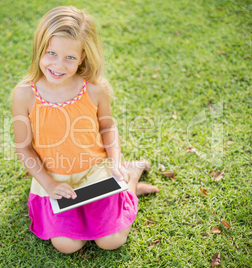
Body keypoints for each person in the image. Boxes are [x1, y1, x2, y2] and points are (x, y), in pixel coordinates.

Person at [12, 6, 159, 254]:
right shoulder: (25, 94)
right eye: (51, 53)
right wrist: (48, 184)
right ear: (39, 49)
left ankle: (129, 178)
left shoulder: (93, 88)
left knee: (111, 241)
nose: (58, 65)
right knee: (67, 245)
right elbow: (24, 148)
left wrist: (115, 162)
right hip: (55, 178)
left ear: (82, 57)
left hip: (95, 172)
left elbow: (108, 127)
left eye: (70, 57)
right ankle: (127, 182)